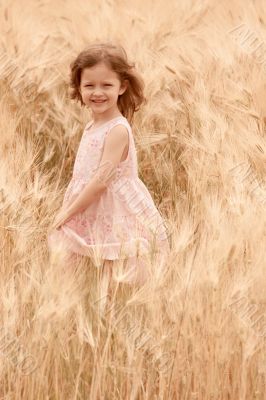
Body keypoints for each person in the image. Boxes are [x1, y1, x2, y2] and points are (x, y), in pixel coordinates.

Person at [47, 42, 170, 312]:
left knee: (110, 277)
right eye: (89, 85)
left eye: (106, 85)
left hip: (113, 210)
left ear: (122, 87)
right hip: (90, 207)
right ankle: (94, 323)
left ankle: (109, 325)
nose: (97, 92)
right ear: (78, 87)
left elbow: (101, 183)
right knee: (87, 277)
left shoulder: (117, 130)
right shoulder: (93, 125)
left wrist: (67, 213)